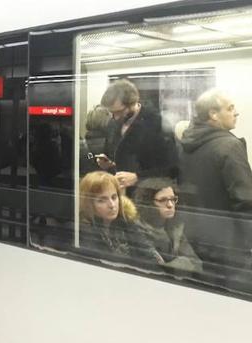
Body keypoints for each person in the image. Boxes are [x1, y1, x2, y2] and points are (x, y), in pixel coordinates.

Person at [179, 89, 252, 286]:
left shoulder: (185, 145)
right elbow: (245, 200)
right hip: (231, 246)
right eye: (230, 108)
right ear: (213, 114)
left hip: (198, 237)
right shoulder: (229, 146)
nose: (236, 113)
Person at [97, 79, 176, 190]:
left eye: (119, 112)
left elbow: (171, 168)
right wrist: (108, 163)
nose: (116, 117)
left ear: (133, 103)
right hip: (119, 191)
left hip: (146, 193)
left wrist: (138, 177)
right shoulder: (113, 123)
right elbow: (113, 154)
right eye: (112, 113)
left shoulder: (156, 123)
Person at [79, 171, 164, 270]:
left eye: (114, 197)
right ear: (89, 204)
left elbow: (147, 252)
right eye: (102, 200)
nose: (112, 205)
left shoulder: (125, 221)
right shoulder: (84, 231)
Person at [134, 178, 203, 274]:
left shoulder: (175, 228)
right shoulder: (137, 230)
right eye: (162, 200)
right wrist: (182, 264)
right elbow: (156, 272)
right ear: (147, 202)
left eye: (173, 199)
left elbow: (197, 264)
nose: (170, 205)